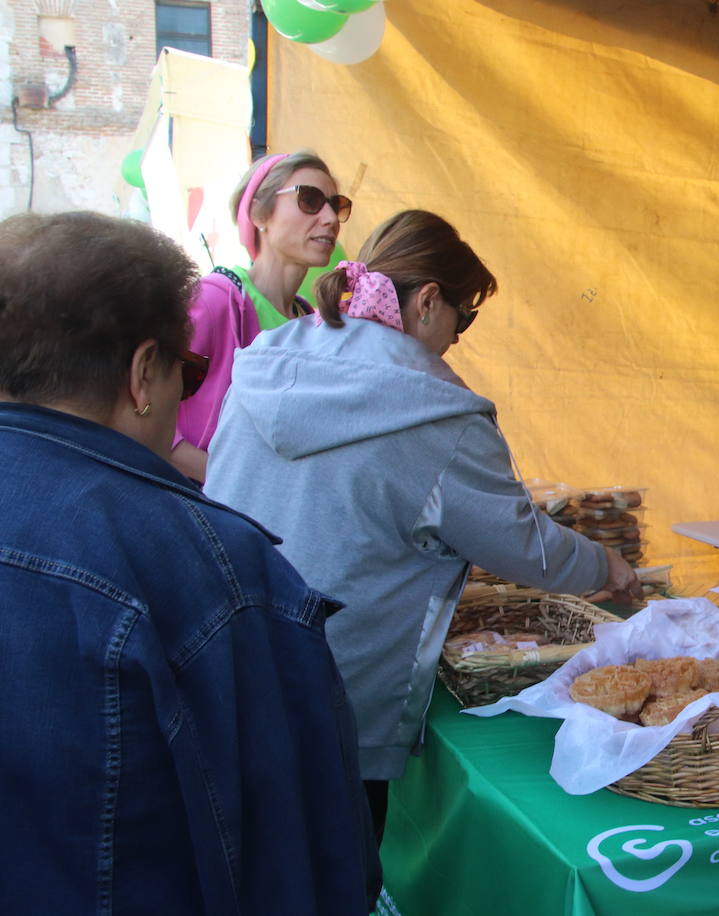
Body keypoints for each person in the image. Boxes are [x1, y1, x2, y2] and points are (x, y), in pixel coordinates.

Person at [204, 209, 641, 841]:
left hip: (232, 664)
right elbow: (523, 545)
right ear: (429, 301)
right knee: (332, 872)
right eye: (465, 318)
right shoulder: (436, 409)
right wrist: (609, 566)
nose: (459, 338)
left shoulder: (269, 357)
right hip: (337, 690)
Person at [0, 211, 379, 912]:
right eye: (192, 371)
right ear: (145, 373)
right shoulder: (220, 572)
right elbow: (309, 863)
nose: (188, 395)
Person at [172, 150, 349, 482]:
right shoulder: (215, 300)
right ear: (258, 213)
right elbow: (143, 410)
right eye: (309, 200)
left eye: (336, 205)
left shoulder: (313, 322)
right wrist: (231, 485)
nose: (330, 218)